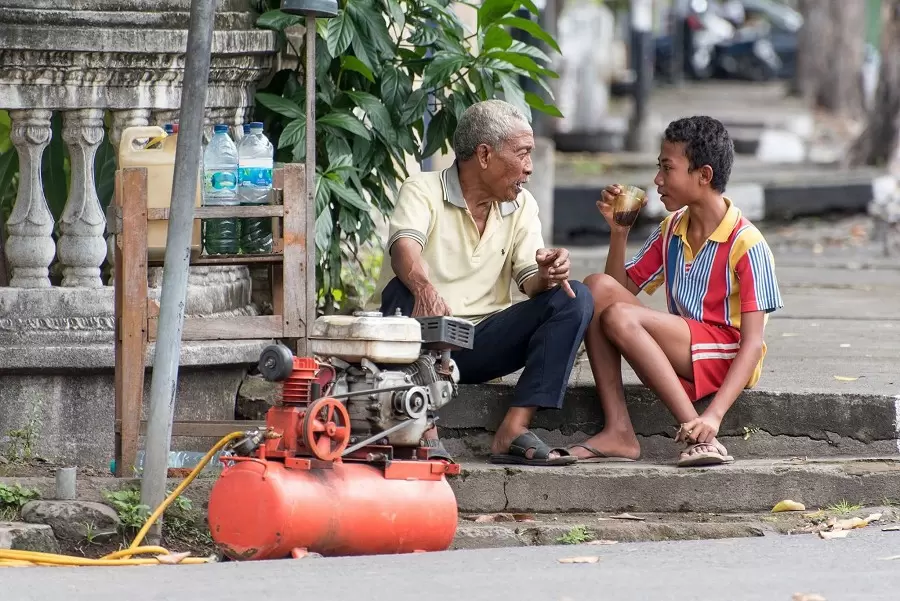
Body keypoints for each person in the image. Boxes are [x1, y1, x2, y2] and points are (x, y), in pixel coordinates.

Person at [369, 99, 594, 467]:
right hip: (421, 339)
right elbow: (404, 249)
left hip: (481, 342)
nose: (529, 168)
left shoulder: (522, 205)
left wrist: (548, 274)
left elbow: (530, 280)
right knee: (402, 288)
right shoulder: (423, 188)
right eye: (523, 154)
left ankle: (514, 429)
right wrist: (425, 289)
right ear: (485, 155)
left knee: (574, 297)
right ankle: (424, 426)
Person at [570, 115, 783, 467]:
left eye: (667, 168)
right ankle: (618, 430)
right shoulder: (673, 228)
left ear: (704, 175)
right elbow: (613, 290)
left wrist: (713, 415)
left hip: (727, 356)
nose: (657, 179)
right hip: (685, 344)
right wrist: (619, 231)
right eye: (659, 167)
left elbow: (752, 344)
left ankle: (698, 434)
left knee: (621, 315)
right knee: (594, 286)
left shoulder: (747, 244)